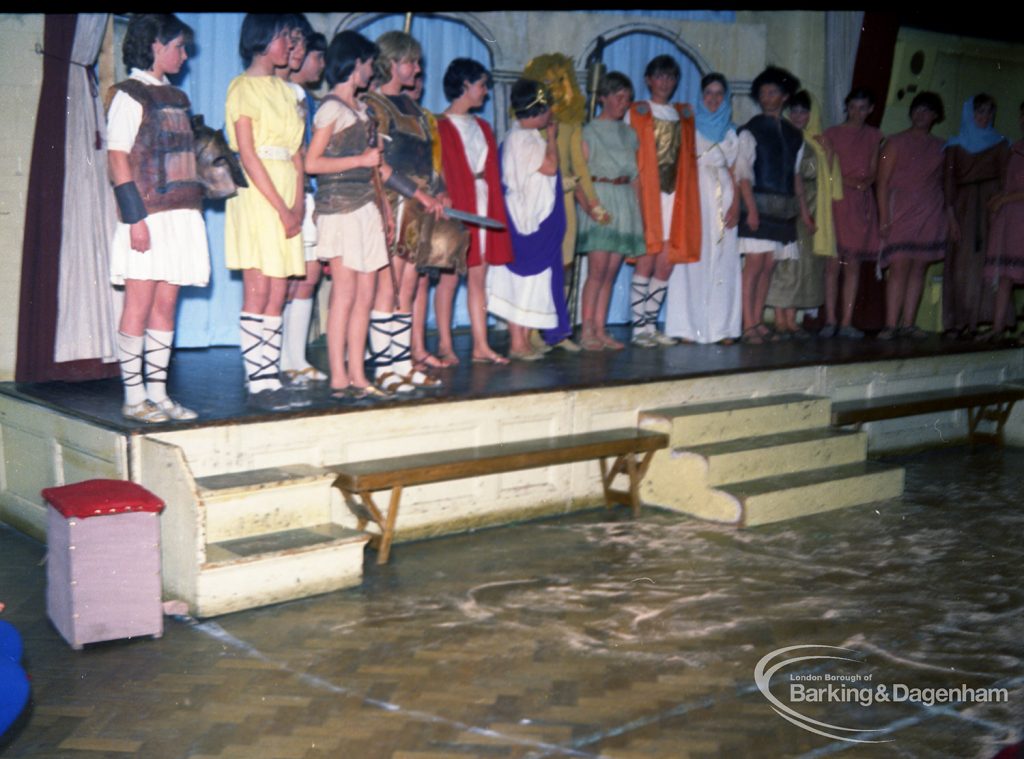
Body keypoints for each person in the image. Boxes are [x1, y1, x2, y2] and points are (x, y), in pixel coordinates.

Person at [107, 13, 209, 422]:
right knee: (139, 304)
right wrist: (135, 218)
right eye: (178, 47)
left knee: (166, 307)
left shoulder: (178, 98)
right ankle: (134, 398)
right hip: (147, 215)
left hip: (180, 214)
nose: (184, 55)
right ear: (154, 46)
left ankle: (159, 394)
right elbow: (117, 157)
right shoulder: (130, 95)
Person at [364, 31, 459, 392]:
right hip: (390, 202)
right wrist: (418, 193)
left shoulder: (416, 110)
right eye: (411, 62)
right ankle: (384, 368)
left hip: (418, 205)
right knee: (386, 286)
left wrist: (439, 192)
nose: (417, 69)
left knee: (407, 286)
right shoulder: (374, 106)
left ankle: (402, 363)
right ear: (391, 63)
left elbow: (428, 161)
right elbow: (379, 166)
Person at [225, 14, 308, 410]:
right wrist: (280, 206)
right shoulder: (242, 88)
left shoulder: (287, 90)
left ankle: (269, 372)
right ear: (261, 41)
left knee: (279, 289)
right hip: (259, 194)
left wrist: (299, 204)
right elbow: (247, 153)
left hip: (290, 191)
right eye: (282, 39)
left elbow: (297, 151)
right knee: (258, 287)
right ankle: (256, 377)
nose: (288, 47)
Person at [304, 31, 391, 400]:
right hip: (339, 210)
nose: (372, 72)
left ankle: (358, 372)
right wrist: (360, 160)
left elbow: (377, 169)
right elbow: (312, 162)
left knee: (366, 293)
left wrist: (387, 206)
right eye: (369, 64)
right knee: (345, 293)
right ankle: (338, 374)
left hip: (367, 207)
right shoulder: (330, 109)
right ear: (355, 64)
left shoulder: (363, 111)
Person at [435, 58, 513, 364]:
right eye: (481, 84)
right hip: (457, 207)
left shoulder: (483, 126)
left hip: (482, 202)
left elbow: (491, 172)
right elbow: (437, 172)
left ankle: (481, 345)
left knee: (479, 278)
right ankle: (444, 344)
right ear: (465, 85)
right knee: (450, 278)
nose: (485, 91)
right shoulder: (438, 125)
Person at [487, 78, 565, 360]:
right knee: (525, 281)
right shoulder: (522, 139)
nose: (551, 115)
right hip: (525, 221)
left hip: (529, 218)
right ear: (539, 110)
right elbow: (550, 167)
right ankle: (517, 343)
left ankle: (524, 339)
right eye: (548, 109)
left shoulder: (522, 136)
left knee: (531, 281)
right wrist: (553, 139)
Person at [627, 55, 701, 347]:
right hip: (647, 196)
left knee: (666, 264)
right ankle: (638, 328)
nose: (665, 82)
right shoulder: (635, 112)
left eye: (670, 77)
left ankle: (650, 323)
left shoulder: (682, 114)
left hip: (675, 197)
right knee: (645, 261)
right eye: (659, 76)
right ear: (648, 79)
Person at [664, 72, 741, 345]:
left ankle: (722, 328)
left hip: (724, 196)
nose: (713, 98)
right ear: (701, 95)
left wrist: (737, 204)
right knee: (693, 260)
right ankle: (688, 327)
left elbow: (735, 172)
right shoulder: (689, 126)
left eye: (719, 94)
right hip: (694, 195)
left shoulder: (732, 132)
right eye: (709, 93)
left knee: (723, 260)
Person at [575, 71, 644, 351]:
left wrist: (638, 214)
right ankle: (587, 330)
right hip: (599, 199)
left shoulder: (630, 134)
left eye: (627, 99)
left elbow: (636, 176)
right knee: (597, 271)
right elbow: (579, 176)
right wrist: (589, 207)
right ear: (603, 97)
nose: (623, 103)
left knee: (611, 273)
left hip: (624, 200)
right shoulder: (589, 131)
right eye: (618, 97)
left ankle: (601, 329)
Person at [735, 65, 804, 344]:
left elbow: (796, 175)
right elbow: (742, 174)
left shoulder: (794, 134)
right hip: (758, 205)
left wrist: (800, 211)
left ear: (784, 96)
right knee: (753, 264)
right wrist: (750, 208)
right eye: (762, 92)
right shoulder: (750, 129)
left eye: (772, 92)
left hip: (782, 210)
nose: (766, 97)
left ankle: (759, 321)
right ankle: (747, 323)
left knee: (768, 266)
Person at [875, 92, 950, 339]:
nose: (921, 115)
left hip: (929, 213)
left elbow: (944, 183)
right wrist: (884, 218)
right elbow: (881, 182)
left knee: (919, 269)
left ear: (935, 116)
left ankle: (908, 324)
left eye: (927, 111)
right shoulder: (893, 142)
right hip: (900, 212)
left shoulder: (941, 146)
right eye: (917, 109)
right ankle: (889, 324)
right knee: (898, 268)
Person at [279, 20, 329, 385]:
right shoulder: (283, 93)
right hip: (288, 192)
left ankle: (296, 357)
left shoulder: (308, 98)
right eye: (316, 57)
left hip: (309, 192)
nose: (320, 65)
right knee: (284, 279)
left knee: (308, 276)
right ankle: (280, 358)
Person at [766, 90, 836, 339]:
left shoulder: (816, 141)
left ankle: (792, 319)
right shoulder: (786, 137)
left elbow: (827, 180)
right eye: (793, 110)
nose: (798, 115)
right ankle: (780, 319)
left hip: (813, 209)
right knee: (786, 263)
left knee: (803, 265)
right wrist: (802, 211)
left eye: (803, 111)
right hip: (791, 208)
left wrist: (827, 153)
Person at [944, 93, 1012, 339]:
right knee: (962, 267)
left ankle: (980, 321)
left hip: (991, 206)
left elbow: (1006, 179)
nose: (983, 118)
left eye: (988, 113)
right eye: (979, 112)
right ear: (969, 114)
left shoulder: (1001, 143)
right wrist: (951, 216)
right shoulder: (955, 144)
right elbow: (948, 182)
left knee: (986, 264)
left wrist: (998, 211)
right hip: (963, 207)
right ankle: (959, 320)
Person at [821, 87, 883, 339]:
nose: (857, 112)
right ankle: (830, 320)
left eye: (863, 108)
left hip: (860, 204)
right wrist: (847, 182)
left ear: (870, 110)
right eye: (853, 107)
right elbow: (826, 169)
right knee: (832, 264)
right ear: (846, 107)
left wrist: (864, 182)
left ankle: (846, 322)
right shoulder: (832, 133)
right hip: (836, 200)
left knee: (853, 265)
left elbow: (873, 171)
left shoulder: (875, 136)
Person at [982, 100, 1024, 344]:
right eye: (1022, 115)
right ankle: (997, 328)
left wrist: (1006, 198)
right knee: (1006, 274)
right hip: (1011, 219)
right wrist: (998, 198)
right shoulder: (1016, 147)